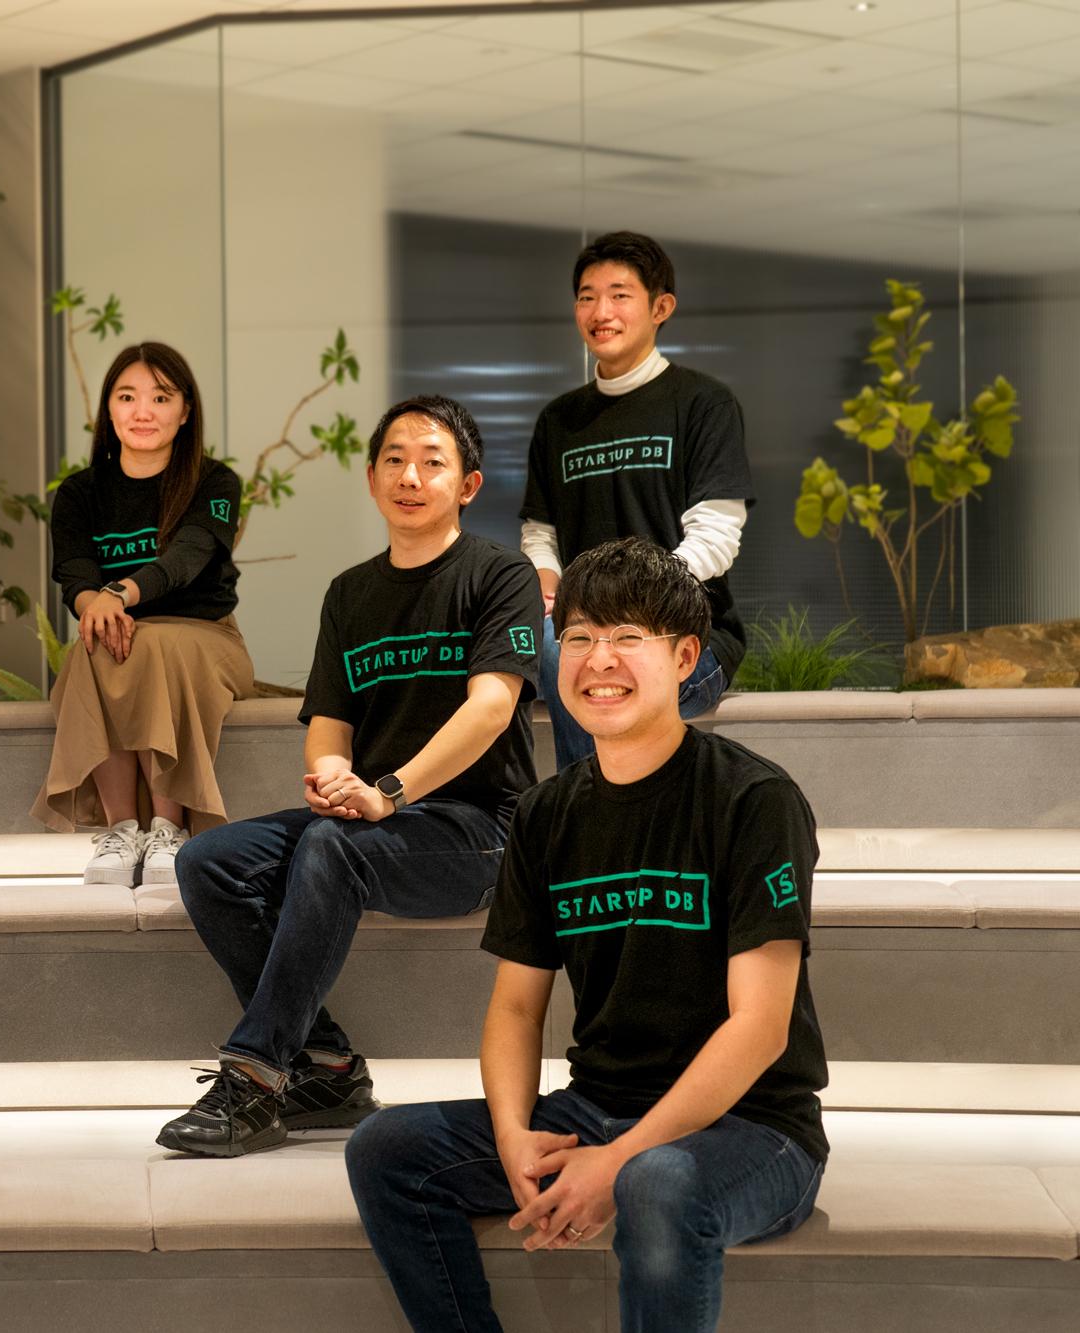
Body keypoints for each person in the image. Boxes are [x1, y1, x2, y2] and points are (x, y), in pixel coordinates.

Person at [346, 537, 827, 1333]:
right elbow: (515, 1008)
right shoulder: (546, 813)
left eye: (628, 637)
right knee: (385, 1147)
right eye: (578, 637)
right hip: (598, 1106)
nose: (600, 660)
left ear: (685, 657)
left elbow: (761, 1026)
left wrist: (619, 1159)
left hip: (753, 1128)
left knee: (657, 1182)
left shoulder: (753, 799)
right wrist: (512, 1135)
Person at [158, 395, 541, 1158]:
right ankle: (327, 1066)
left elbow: (492, 709)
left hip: (481, 830)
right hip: (373, 817)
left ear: (467, 485)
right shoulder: (350, 594)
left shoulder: (500, 575)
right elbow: (329, 728)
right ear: (371, 479)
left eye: (432, 462)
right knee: (208, 860)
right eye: (394, 460)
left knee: (330, 847)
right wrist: (334, 778)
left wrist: (388, 791)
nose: (410, 476)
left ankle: (256, 1075)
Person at [521, 230, 753, 769]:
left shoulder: (703, 404)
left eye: (619, 295)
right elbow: (540, 534)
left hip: (686, 641)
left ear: (660, 307)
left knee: (574, 652)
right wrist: (550, 587)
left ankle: (587, 802)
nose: (601, 311)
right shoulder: (559, 420)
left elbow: (716, 537)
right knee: (543, 644)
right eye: (587, 297)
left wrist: (623, 605)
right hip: (579, 636)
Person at [31, 341, 253, 887]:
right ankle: (123, 829)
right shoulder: (79, 492)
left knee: (143, 641)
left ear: (186, 410)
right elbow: (74, 573)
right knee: (104, 641)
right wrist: (97, 607)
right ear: (108, 409)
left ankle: (168, 828)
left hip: (208, 639)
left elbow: (187, 559)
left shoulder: (214, 482)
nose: (143, 412)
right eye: (127, 397)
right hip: (120, 633)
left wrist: (118, 595)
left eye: (161, 397)